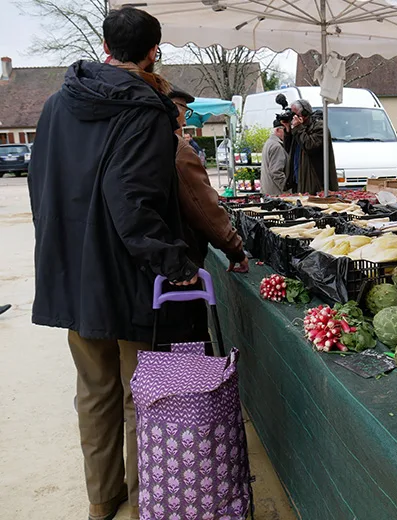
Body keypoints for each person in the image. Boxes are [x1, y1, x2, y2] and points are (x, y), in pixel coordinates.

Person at [27, 7, 197, 520]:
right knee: (138, 397)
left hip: (75, 276)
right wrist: (174, 261)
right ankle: (148, 503)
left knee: (94, 395)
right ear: (154, 49)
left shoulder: (59, 103)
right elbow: (132, 199)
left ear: (106, 44)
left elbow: (41, 185)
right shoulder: (145, 109)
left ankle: (102, 504)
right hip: (126, 279)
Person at [168, 87, 249, 342]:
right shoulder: (178, 151)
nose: (184, 119)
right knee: (188, 344)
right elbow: (206, 210)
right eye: (183, 111)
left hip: (149, 269)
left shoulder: (134, 143)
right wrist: (235, 249)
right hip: (178, 266)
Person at [284, 99, 338, 194]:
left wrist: (298, 128)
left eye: (294, 114)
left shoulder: (320, 128)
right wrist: (288, 130)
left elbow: (309, 146)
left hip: (314, 182)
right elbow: (288, 149)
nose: (293, 118)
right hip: (297, 180)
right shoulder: (298, 129)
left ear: (304, 114)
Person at [261, 118, 289, 196]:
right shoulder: (277, 146)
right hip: (276, 192)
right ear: (277, 130)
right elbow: (276, 171)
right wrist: (286, 188)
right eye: (284, 130)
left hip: (268, 190)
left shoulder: (269, 142)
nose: (287, 132)